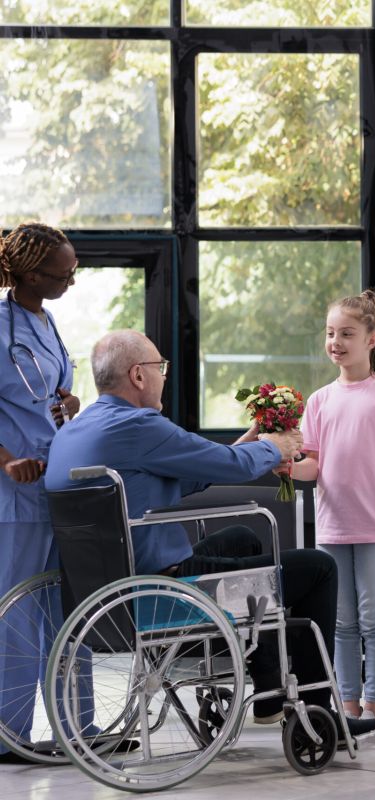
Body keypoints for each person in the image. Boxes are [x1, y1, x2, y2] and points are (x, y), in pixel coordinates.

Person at [44, 329, 375, 739]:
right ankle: (317, 713)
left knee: (240, 536)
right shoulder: (139, 427)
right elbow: (231, 467)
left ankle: (268, 688)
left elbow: (197, 470)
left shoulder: (77, 433)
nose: (164, 376)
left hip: (106, 595)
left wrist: (251, 442)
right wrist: (276, 447)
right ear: (138, 375)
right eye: (160, 367)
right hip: (162, 593)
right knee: (317, 567)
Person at [288, 290, 375, 725]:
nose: (336, 342)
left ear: (371, 339)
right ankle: (348, 709)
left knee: (374, 618)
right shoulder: (319, 400)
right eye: (330, 334)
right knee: (342, 622)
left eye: (347, 333)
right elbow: (314, 466)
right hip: (332, 528)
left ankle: (374, 707)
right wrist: (286, 466)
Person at [0, 221, 84, 764]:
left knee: (69, 606)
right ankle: (8, 735)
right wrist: (8, 462)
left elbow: (49, 390)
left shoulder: (46, 319)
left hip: (57, 478)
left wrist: (68, 403)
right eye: (63, 274)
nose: (71, 282)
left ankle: (80, 727)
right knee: (19, 612)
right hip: (17, 493)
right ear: (32, 274)